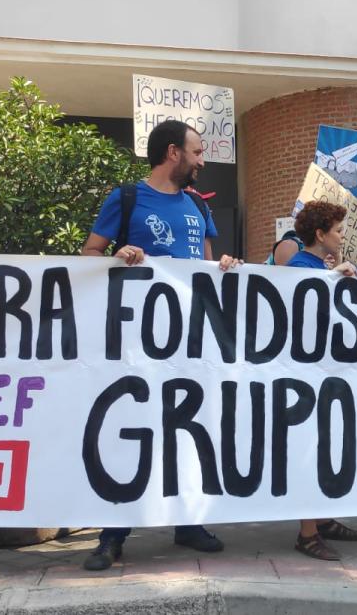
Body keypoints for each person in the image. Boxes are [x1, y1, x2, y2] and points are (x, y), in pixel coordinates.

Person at [80, 119, 242, 571]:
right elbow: (89, 253)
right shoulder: (127, 198)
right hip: (137, 341)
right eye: (197, 151)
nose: (202, 161)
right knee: (131, 427)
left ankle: (187, 523)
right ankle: (112, 534)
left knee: (188, 428)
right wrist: (116, 256)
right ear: (173, 152)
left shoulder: (197, 205)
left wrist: (224, 266)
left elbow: (205, 269)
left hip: (190, 341)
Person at [280, 201, 357, 560]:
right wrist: (330, 278)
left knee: (329, 446)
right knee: (310, 450)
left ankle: (323, 518)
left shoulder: (325, 265)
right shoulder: (300, 266)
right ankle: (307, 533)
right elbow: (302, 304)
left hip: (330, 375)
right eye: (338, 231)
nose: (343, 237)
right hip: (307, 377)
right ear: (320, 234)